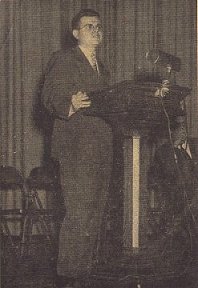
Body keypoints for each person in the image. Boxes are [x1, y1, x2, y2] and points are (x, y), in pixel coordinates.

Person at [41, 9, 113, 288]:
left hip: (101, 150)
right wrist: (69, 102)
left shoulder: (103, 68)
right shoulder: (64, 59)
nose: (96, 30)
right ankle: (70, 279)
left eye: (99, 26)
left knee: (94, 214)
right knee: (79, 214)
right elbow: (49, 96)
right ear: (75, 33)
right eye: (89, 26)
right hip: (76, 150)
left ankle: (86, 276)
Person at [148, 117, 198, 273]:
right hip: (173, 200)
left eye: (184, 129)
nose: (183, 132)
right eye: (180, 129)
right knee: (176, 232)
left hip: (190, 198)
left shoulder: (187, 150)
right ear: (172, 132)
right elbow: (159, 176)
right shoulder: (164, 151)